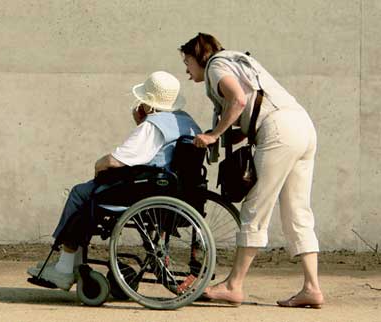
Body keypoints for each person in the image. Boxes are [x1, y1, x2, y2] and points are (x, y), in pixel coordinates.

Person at [179, 33, 323, 308]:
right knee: (297, 210)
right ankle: (312, 288)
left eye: (187, 62)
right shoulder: (239, 61)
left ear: (199, 57)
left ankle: (233, 285)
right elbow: (253, 103)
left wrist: (213, 135)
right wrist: (229, 134)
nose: (187, 70)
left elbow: (238, 100)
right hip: (301, 126)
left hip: (279, 130)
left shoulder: (216, 66)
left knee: (254, 209)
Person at [27, 71, 202, 290]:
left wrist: (99, 166)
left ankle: (64, 267)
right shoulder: (187, 122)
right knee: (88, 194)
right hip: (175, 190)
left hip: (145, 189)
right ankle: (68, 264)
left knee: (81, 193)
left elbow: (115, 160)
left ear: (148, 102)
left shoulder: (152, 126)